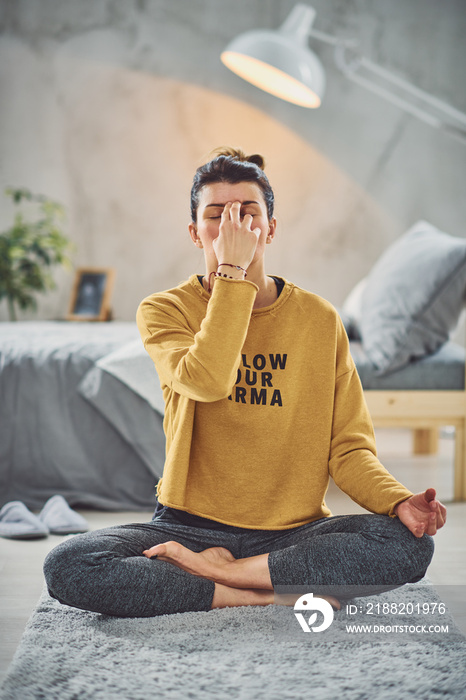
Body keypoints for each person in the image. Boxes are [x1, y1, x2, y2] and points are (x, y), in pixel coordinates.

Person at [44, 148, 446, 617]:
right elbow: (209, 379)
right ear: (195, 233)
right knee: (69, 564)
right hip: (188, 529)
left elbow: (349, 450)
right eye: (217, 216)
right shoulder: (165, 310)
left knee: (408, 545)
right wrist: (233, 273)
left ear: (270, 228)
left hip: (291, 533)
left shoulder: (318, 319)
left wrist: (399, 501)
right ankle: (266, 592)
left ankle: (221, 575)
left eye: (247, 213)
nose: (233, 227)